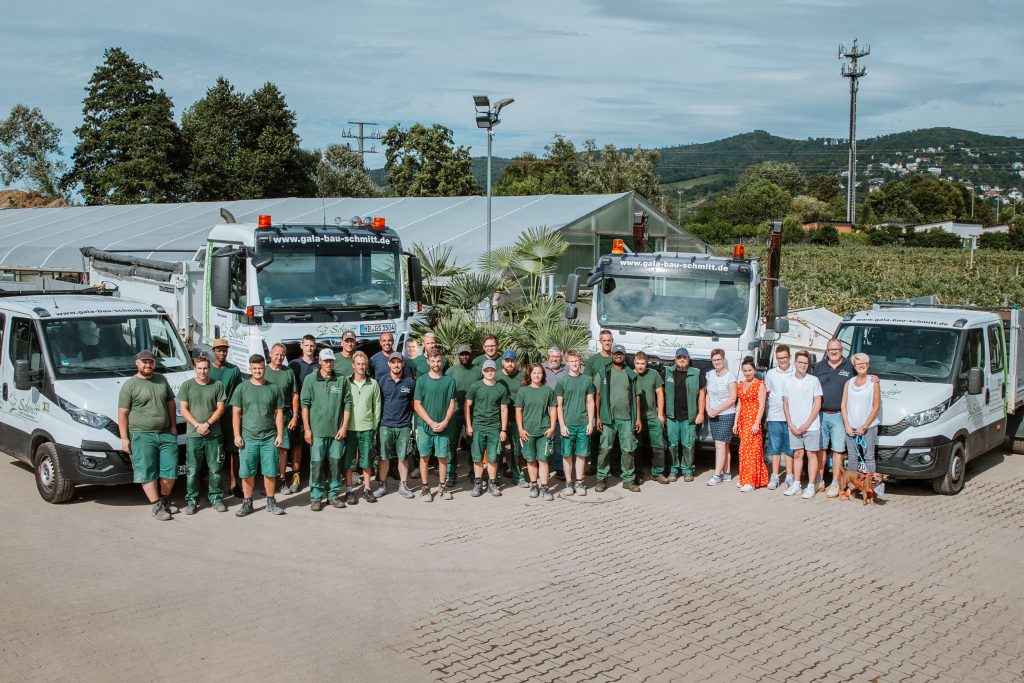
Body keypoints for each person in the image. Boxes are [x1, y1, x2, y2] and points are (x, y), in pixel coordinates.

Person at [117, 350, 179, 521]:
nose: (148, 365)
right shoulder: (130, 384)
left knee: (170, 470)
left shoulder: (161, 380)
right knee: (147, 471)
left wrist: (173, 426)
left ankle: (165, 500)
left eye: (151, 362)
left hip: (165, 433)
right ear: (137, 363)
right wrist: (124, 438)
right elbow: (122, 412)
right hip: (142, 435)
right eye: (144, 362)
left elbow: (170, 404)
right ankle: (156, 505)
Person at [230, 354, 286, 516]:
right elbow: (236, 413)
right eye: (254, 368)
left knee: (270, 472)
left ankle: (271, 501)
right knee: (247, 473)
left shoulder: (273, 388)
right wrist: (237, 435)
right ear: (250, 369)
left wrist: (280, 434)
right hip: (248, 439)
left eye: (260, 368)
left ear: (265, 368)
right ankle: (247, 503)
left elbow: (279, 413)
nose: (257, 371)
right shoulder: (242, 388)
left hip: (269, 438)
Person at [300, 348, 351, 511]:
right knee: (316, 465)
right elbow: (305, 405)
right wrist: (307, 429)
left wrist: (344, 427)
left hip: (336, 433)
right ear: (319, 361)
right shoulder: (310, 380)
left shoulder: (341, 380)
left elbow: (347, 403)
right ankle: (316, 497)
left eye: (331, 361)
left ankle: (333, 495)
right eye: (325, 360)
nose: (328, 363)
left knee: (335, 465)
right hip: (317, 433)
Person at [178, 355, 227, 514]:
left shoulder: (217, 385)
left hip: (214, 435)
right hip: (194, 435)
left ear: (209, 368)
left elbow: (220, 408)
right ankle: (192, 500)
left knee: (215, 469)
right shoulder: (187, 386)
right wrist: (197, 425)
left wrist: (207, 424)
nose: (203, 371)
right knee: (192, 470)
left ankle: (216, 498)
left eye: (205, 368)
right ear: (194, 368)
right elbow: (183, 410)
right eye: (199, 368)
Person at [594, 344, 641, 493]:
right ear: (612, 355)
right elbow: (598, 396)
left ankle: (628, 479)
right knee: (605, 449)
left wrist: (638, 418)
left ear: (624, 356)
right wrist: (598, 417)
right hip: (608, 419)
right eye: (615, 353)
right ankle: (601, 479)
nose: (618, 356)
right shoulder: (604, 373)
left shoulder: (631, 375)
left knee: (628, 450)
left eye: (621, 354)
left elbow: (637, 397)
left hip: (627, 419)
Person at [412, 349, 456, 501]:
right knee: (424, 456)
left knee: (442, 457)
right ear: (428, 361)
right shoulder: (422, 380)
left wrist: (445, 422)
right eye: (433, 361)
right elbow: (417, 404)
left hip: (443, 428)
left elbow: (452, 403)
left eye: (438, 361)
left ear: (442, 361)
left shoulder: (449, 381)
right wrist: (430, 422)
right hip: (425, 427)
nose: (436, 364)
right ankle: (425, 489)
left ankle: (442, 488)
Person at [814, 339, 855, 497]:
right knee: (821, 449)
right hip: (821, 414)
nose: (833, 352)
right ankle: (819, 480)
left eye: (836, 349)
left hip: (839, 415)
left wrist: (873, 379)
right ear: (827, 350)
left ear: (841, 349)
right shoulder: (818, 367)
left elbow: (862, 378)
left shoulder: (850, 366)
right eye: (830, 349)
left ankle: (835, 483)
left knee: (838, 450)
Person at [782, 350, 823, 499]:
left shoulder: (813, 381)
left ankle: (811, 486)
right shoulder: (787, 381)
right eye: (800, 362)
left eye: (805, 363)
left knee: (811, 454)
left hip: (811, 426)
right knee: (797, 454)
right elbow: (785, 404)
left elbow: (817, 404)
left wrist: (807, 424)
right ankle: (797, 484)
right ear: (795, 362)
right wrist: (790, 424)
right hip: (794, 426)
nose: (803, 365)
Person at [465, 359, 509, 497]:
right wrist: (469, 425)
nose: (489, 372)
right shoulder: (475, 386)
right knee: (477, 458)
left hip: (494, 428)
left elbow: (504, 410)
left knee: (493, 457)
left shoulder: (501, 388)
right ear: (483, 372)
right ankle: (478, 485)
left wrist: (503, 429)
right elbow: (467, 405)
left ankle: (492, 483)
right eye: (487, 370)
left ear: (495, 371)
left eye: (492, 370)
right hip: (478, 427)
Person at [376, 352, 417, 499]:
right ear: (389, 364)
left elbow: (414, 404)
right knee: (384, 457)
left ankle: (403, 485)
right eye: (393, 362)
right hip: (385, 425)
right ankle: (382, 486)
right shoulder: (381, 381)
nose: (396, 365)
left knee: (403, 457)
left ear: (403, 364)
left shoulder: (410, 383)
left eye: (398, 362)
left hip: (404, 426)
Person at [555, 349, 596, 496]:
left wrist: (590, 423)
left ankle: (579, 482)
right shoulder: (562, 382)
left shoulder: (587, 380)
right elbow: (558, 405)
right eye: (571, 361)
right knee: (567, 455)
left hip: (583, 423)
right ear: (567, 363)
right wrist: (562, 425)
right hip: (568, 424)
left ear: (580, 361)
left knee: (581, 455)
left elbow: (590, 402)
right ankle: (568, 483)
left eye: (576, 361)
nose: (574, 363)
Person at [841, 352, 882, 493]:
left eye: (863, 363)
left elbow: (876, 407)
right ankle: (851, 488)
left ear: (868, 365)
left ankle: (870, 488)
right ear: (854, 366)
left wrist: (864, 427)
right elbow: (843, 405)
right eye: (858, 364)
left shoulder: (874, 382)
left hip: (868, 428)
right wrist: (847, 425)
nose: (861, 366)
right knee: (852, 458)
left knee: (869, 457)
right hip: (850, 428)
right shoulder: (849, 383)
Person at [663, 347, 706, 482]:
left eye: (684, 357)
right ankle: (673, 469)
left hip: (689, 417)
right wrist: (661, 413)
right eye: (679, 357)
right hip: (672, 417)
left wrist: (700, 413)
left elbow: (702, 394)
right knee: (672, 445)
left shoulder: (696, 373)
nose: (682, 360)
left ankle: (688, 469)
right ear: (675, 359)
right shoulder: (668, 372)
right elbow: (661, 393)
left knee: (688, 445)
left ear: (688, 359)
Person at [345, 351, 382, 504]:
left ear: (367, 365)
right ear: (353, 365)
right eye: (358, 364)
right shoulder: (346, 382)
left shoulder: (373, 383)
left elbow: (377, 405)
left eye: (363, 364)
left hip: (367, 428)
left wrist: (374, 425)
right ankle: (349, 491)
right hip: (349, 429)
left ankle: (367, 489)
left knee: (366, 461)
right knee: (349, 462)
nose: (361, 367)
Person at [516, 363, 557, 500]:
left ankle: (545, 487)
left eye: (539, 373)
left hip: (544, 431)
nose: (536, 375)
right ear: (529, 375)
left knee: (543, 459)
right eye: (534, 373)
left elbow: (552, 409)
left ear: (543, 375)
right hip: (527, 432)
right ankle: (534, 485)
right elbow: (518, 410)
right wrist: (520, 428)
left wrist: (552, 427)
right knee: (531, 459)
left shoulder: (548, 391)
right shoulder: (523, 391)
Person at [208, 338, 242, 497]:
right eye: (219, 350)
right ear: (213, 351)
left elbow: (238, 392)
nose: (222, 353)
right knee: (215, 452)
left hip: (229, 415)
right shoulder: (208, 370)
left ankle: (235, 484)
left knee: (234, 451)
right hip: (213, 415)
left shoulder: (234, 370)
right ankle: (215, 487)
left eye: (225, 350)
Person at [265, 343, 300, 495]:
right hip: (266, 415)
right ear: (270, 354)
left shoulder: (288, 372)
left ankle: (282, 479)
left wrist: (295, 416)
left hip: (285, 414)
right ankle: (269, 480)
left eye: (282, 355)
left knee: (283, 449)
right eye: (276, 354)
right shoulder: (263, 370)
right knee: (268, 449)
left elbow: (295, 395)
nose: (279, 357)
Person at [287, 334, 319, 493]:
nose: (309, 348)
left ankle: (317, 475)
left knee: (315, 443)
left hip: (316, 410)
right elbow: (291, 390)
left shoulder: (319, 363)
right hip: (298, 410)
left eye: (312, 345)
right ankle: (296, 475)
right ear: (301, 346)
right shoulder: (293, 364)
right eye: (306, 345)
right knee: (297, 444)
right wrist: (295, 412)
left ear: (315, 347)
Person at [733, 356, 769, 492]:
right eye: (745, 370)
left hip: (753, 421)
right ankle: (744, 478)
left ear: (754, 370)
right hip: (743, 421)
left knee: (752, 451)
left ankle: (751, 481)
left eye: (750, 370)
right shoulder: (741, 384)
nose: (747, 373)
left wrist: (756, 422)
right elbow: (739, 404)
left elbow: (761, 406)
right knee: (743, 450)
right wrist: (735, 422)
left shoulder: (760, 384)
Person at [444, 344, 478, 486]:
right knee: (451, 444)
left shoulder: (477, 371)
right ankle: (450, 474)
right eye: (462, 354)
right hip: (455, 413)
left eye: (467, 354)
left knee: (473, 444)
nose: (464, 357)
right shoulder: (451, 371)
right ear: (458, 355)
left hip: (473, 413)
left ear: (471, 355)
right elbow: (445, 391)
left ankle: (473, 473)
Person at [764, 344, 795, 490]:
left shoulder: (796, 372)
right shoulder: (770, 373)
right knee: (775, 449)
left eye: (784, 358)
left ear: (789, 357)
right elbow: (768, 393)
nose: (781, 360)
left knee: (789, 449)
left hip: (792, 418)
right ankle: (775, 476)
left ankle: (789, 476)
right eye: (779, 358)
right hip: (775, 416)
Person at [633, 351, 667, 483]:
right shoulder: (629, 375)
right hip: (636, 418)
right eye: (638, 363)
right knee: (637, 446)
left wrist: (660, 414)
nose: (640, 366)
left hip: (653, 416)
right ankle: (638, 473)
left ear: (646, 363)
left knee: (658, 445)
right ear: (634, 363)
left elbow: (660, 393)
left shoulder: (654, 374)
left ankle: (657, 473)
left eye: (643, 363)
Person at [705, 348, 738, 486]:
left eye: (719, 359)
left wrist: (717, 410)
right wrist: (708, 409)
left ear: (723, 360)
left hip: (726, 414)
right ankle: (727, 473)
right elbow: (707, 394)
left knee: (719, 444)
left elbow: (732, 398)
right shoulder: (710, 375)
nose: (716, 362)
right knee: (724, 445)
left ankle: (717, 475)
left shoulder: (730, 377)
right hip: (712, 414)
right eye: (714, 360)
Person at [496, 350, 528, 488]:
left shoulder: (522, 376)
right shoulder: (495, 375)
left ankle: (518, 475)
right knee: (498, 449)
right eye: (507, 361)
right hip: (498, 419)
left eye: (512, 361)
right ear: (503, 361)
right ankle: (495, 477)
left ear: (516, 362)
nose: (510, 363)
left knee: (516, 450)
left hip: (517, 419)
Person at [543, 347, 567, 480]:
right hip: (544, 412)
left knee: (558, 441)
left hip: (560, 412)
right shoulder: (541, 369)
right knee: (545, 440)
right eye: (552, 356)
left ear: (561, 358)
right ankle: (544, 467)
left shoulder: (566, 370)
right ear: (548, 357)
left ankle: (559, 468)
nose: (555, 359)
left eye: (557, 357)